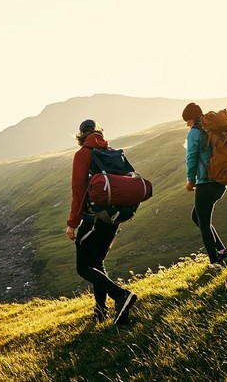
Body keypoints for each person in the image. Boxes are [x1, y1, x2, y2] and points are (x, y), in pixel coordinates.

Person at [65, 119, 137, 324]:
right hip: (113, 218)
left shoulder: (83, 154)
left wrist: (72, 223)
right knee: (97, 263)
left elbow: (78, 191)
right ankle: (100, 311)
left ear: (80, 136)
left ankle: (120, 295)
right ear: (98, 133)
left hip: (93, 219)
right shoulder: (111, 151)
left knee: (83, 267)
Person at [182, 103, 227, 267]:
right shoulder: (211, 130)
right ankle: (222, 252)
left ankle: (215, 262)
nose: (187, 124)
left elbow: (191, 158)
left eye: (187, 120)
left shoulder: (195, 133)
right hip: (220, 182)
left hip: (206, 183)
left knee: (203, 223)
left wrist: (191, 180)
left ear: (191, 118)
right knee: (197, 217)